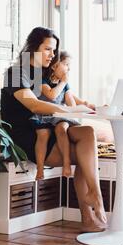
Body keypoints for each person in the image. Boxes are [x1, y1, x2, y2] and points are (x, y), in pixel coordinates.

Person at [1, 27, 107, 233]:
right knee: (88, 157)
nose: (52, 55)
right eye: (48, 49)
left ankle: (94, 194)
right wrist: (69, 109)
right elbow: (34, 106)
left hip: (47, 126)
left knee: (88, 134)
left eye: (54, 50)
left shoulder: (42, 74)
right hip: (31, 135)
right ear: (33, 48)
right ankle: (89, 212)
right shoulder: (15, 73)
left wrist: (81, 106)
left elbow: (62, 96)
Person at [30, 50, 93, 180]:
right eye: (66, 65)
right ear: (54, 66)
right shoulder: (42, 80)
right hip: (43, 115)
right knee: (43, 134)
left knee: (62, 127)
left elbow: (71, 104)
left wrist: (84, 106)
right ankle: (40, 168)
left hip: (59, 117)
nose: (68, 69)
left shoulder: (65, 85)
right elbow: (51, 95)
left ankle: (66, 163)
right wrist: (63, 82)